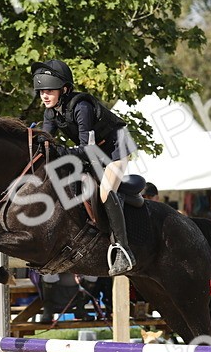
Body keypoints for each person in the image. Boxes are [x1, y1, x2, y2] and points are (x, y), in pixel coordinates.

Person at [33, 58, 137, 274]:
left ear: (64, 89)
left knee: (105, 191)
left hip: (115, 149)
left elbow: (86, 149)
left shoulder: (81, 107)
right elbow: (46, 142)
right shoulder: (50, 112)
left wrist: (59, 151)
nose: (44, 96)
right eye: (42, 91)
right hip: (93, 153)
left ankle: (123, 250)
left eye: (49, 91)